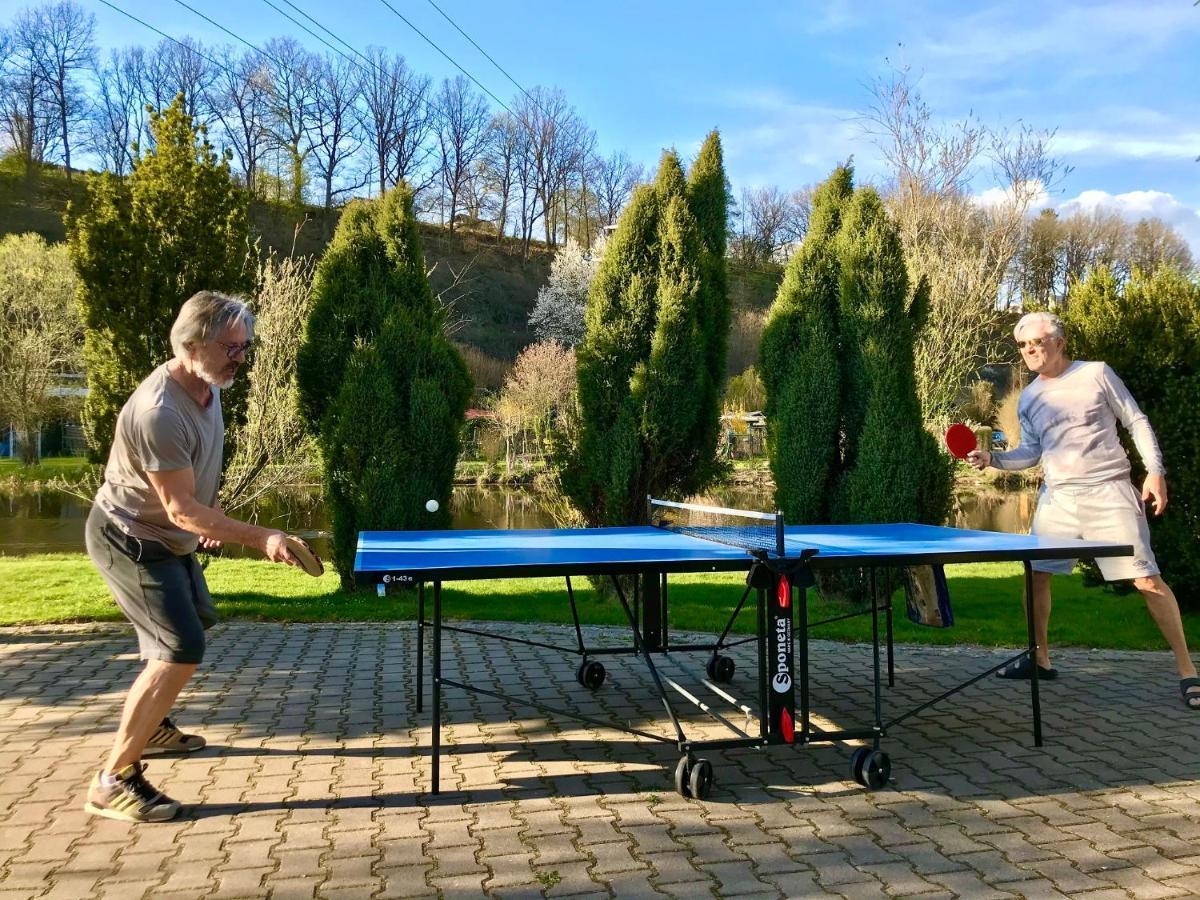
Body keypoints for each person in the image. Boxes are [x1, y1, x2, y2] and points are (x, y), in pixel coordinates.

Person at [84, 291, 303, 822]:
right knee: (179, 647)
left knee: (193, 620)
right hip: (131, 539)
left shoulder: (209, 386)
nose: (241, 357)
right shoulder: (159, 411)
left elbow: (197, 482)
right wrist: (261, 537)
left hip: (168, 535)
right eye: (232, 347)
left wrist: (214, 512)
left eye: (245, 346)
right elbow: (179, 509)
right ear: (192, 344)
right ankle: (114, 780)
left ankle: (152, 726)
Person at [967, 311, 1198, 711]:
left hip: (1109, 493)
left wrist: (1155, 472)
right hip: (1058, 498)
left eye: (1036, 342)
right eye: (1022, 345)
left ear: (1059, 341)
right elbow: (1032, 453)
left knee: (1146, 581)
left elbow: (1136, 421)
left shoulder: (1096, 374)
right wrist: (992, 459)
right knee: (1035, 575)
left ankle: (1188, 671)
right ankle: (1040, 658)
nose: (1029, 351)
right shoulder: (1030, 396)